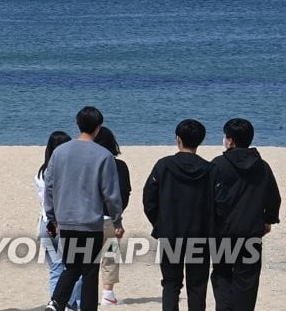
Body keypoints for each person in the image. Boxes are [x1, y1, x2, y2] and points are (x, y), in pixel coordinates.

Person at [44, 107, 124, 311]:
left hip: (66, 220)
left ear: (76, 123)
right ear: (98, 128)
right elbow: (111, 194)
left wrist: (52, 217)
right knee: (89, 270)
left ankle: (56, 302)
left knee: (71, 266)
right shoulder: (104, 155)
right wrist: (117, 220)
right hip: (91, 222)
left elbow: (49, 187)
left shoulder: (59, 152)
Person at [209, 118, 281, 311]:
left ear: (230, 140)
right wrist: (269, 220)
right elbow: (274, 197)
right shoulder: (262, 166)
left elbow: (208, 197)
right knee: (247, 279)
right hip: (251, 231)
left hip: (223, 231)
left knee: (222, 274)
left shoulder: (218, 164)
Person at [142, 119, 213, 311]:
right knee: (197, 286)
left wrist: (159, 222)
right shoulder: (209, 169)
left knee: (171, 283)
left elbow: (149, 199)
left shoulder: (164, 165)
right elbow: (216, 203)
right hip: (200, 234)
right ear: (200, 141)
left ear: (178, 139)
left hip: (170, 233)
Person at [35, 131, 81, 309]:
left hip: (46, 223)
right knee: (74, 269)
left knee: (55, 270)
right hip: (63, 224)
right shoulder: (66, 171)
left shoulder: (41, 172)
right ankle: (69, 304)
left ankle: (56, 304)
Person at [93, 126, 131, 306]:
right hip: (110, 218)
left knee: (85, 257)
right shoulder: (120, 166)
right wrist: (118, 215)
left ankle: (85, 293)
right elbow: (124, 193)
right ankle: (107, 293)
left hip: (87, 217)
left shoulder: (88, 163)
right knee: (110, 256)